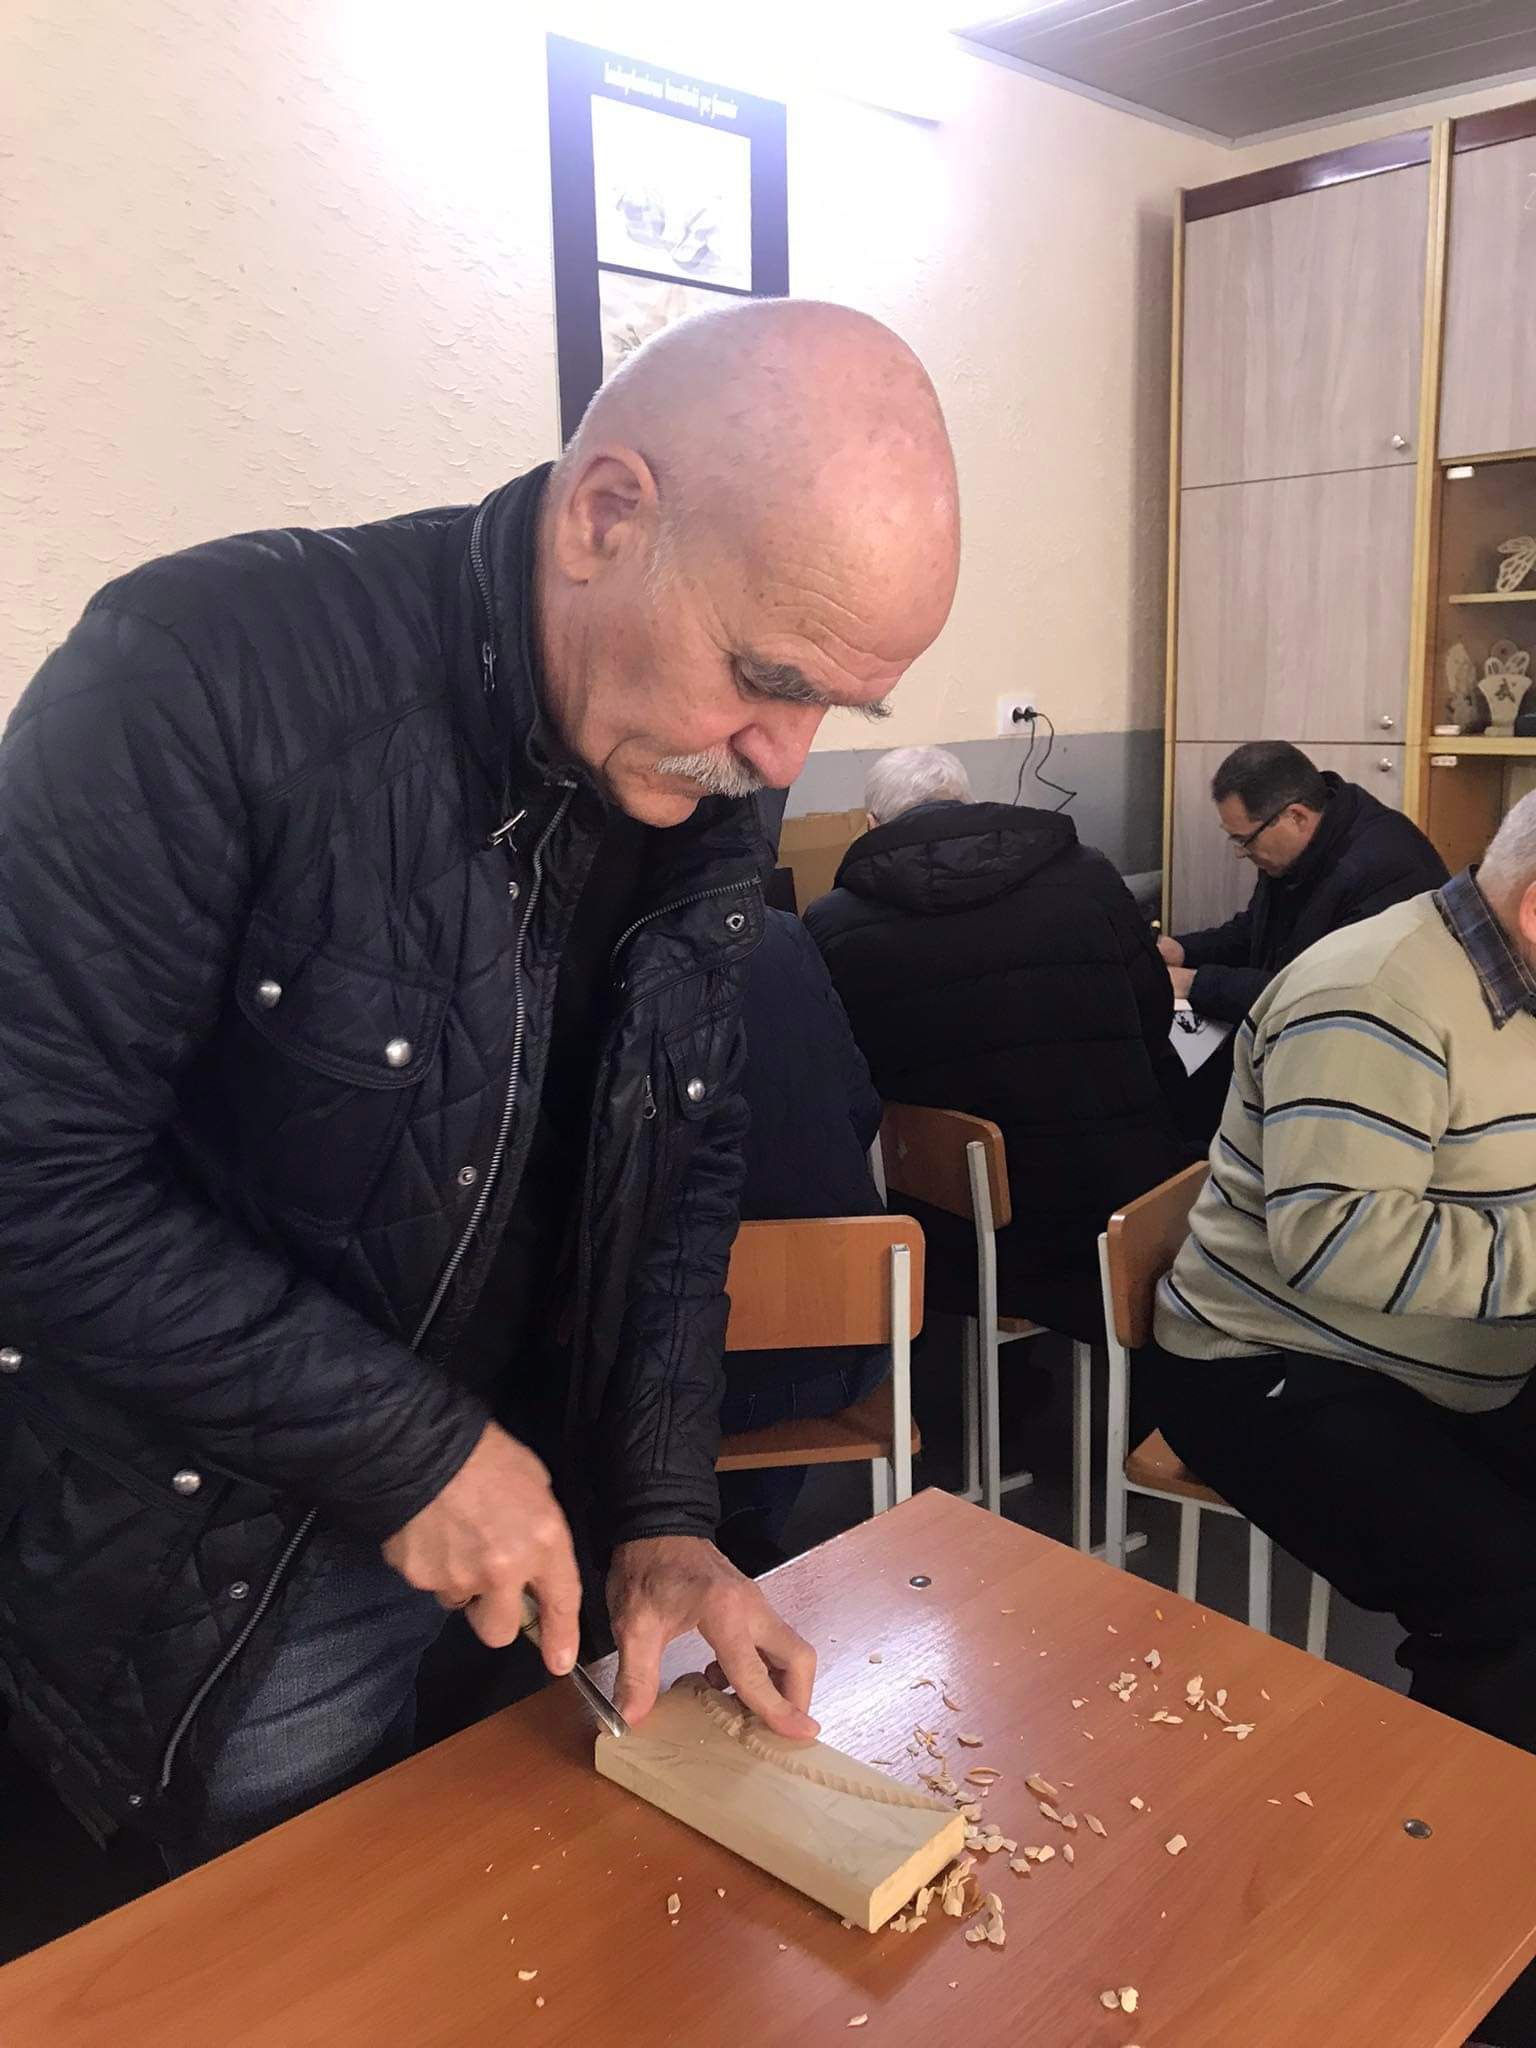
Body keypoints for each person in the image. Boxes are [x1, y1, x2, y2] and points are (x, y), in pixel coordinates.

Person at [0, 298, 960, 1863]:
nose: (787, 757)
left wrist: (663, 1513)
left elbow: (685, 1163)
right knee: (320, 1948)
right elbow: (33, 1187)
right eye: (765, 676)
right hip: (235, 1562)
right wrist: (412, 1450)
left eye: (832, 708)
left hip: (536, 1520)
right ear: (605, 517)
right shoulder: (194, 678)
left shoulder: (703, 757)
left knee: (527, 1924)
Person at [1144, 792, 1536, 1746]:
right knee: (1509, 1598)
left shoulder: (1516, 977)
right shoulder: (1375, 996)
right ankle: (1457, 1824)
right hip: (1267, 1359)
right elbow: (1337, 1241)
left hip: (1448, 1345)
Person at [804, 746, 1191, 1343]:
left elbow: (845, 1080)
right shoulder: (1088, 874)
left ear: (872, 824)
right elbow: (1153, 1011)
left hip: (955, 1237)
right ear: (967, 801)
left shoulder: (833, 922)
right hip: (1117, 1203)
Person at [716, 909, 889, 1572]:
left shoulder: (548, 954)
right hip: (833, 1347)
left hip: (645, 1383)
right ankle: (748, 1527)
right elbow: (860, 1109)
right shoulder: (782, 936)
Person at [1159, 739, 1447, 1023]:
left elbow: (1321, 996)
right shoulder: (1294, 851)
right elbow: (1257, 934)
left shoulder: (1385, 868)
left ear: (1296, 816)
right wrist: (1182, 951)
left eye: (1245, 840)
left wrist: (1194, 983)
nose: (1241, 852)